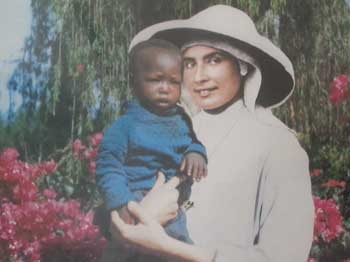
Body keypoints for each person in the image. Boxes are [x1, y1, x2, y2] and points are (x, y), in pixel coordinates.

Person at [111, 5, 314, 262]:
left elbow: (284, 256)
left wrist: (169, 246)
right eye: (189, 64)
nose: (199, 77)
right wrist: (139, 214)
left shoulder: (278, 145)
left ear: (243, 65)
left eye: (214, 60)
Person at [95, 39, 208, 261]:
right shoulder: (126, 125)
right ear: (134, 83)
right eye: (155, 80)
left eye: (174, 82)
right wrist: (121, 202)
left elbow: (193, 142)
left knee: (176, 250)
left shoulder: (182, 120)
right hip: (135, 199)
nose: (165, 88)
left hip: (173, 206)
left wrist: (196, 153)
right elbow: (108, 166)